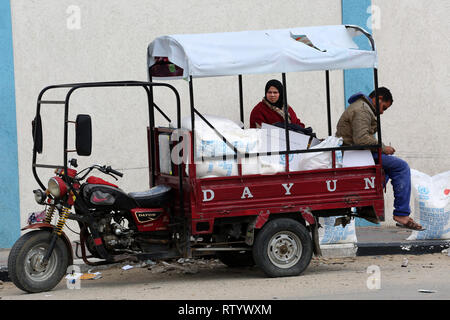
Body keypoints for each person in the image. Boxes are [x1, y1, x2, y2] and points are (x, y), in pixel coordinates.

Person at [335, 87, 424, 231]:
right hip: (354, 153)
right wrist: (383, 148)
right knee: (401, 167)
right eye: (383, 108)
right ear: (379, 98)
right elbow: (361, 139)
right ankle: (401, 214)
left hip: (356, 152)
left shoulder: (362, 107)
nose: (382, 112)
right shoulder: (362, 110)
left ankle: (369, 203)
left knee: (389, 167)